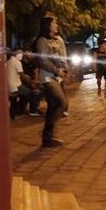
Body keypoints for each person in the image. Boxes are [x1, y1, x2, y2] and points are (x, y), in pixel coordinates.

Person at [35, 15, 69, 148]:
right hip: (48, 78)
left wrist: (65, 70)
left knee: (54, 106)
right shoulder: (42, 41)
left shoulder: (59, 40)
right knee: (61, 102)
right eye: (54, 23)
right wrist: (56, 70)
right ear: (48, 25)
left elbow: (64, 57)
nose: (57, 25)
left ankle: (48, 137)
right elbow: (42, 60)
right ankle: (48, 132)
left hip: (59, 77)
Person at [6, 50, 42, 117]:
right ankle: (33, 111)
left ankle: (20, 110)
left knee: (26, 93)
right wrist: (31, 83)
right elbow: (22, 75)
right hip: (16, 86)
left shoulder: (9, 62)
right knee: (34, 93)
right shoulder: (17, 62)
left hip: (11, 85)